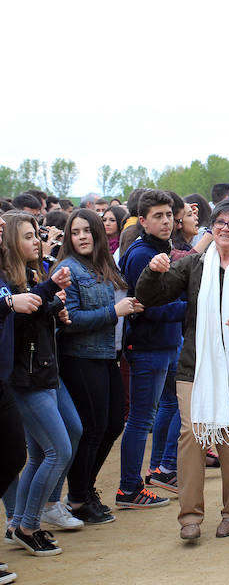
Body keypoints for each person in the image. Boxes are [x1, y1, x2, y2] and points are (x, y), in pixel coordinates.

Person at [135, 198, 229, 540]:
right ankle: (189, 517)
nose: (226, 228)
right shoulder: (193, 266)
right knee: (191, 436)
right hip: (195, 367)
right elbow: (151, 297)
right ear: (212, 227)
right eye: (220, 222)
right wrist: (152, 271)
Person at [55, 209, 136, 525]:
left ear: (98, 234)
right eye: (75, 233)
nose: (82, 237)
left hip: (107, 355)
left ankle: (84, 490)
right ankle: (78, 496)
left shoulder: (104, 265)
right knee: (92, 428)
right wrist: (114, 311)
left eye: (87, 231)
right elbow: (70, 320)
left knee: (114, 423)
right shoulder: (68, 269)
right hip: (80, 358)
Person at [1, 211, 73, 556]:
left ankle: (18, 523)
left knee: (48, 449)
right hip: (24, 378)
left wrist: (51, 302)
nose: (36, 241)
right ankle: (28, 525)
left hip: (42, 372)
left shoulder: (30, 274)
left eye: (36, 235)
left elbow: (36, 321)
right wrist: (47, 303)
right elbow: (15, 334)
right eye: (28, 236)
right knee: (58, 450)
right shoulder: (8, 283)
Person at [118, 190, 185, 509]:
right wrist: (191, 308)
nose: (166, 221)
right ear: (142, 221)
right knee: (141, 419)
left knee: (171, 406)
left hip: (167, 343)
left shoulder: (162, 248)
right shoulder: (142, 254)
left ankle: (160, 469)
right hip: (148, 347)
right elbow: (148, 308)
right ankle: (129, 488)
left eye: (169, 215)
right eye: (158, 216)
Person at [0, 211, 41, 583]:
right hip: (17, 377)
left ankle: (17, 522)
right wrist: (11, 304)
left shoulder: (9, 272)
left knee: (14, 453)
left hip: (3, 377)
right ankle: (20, 523)